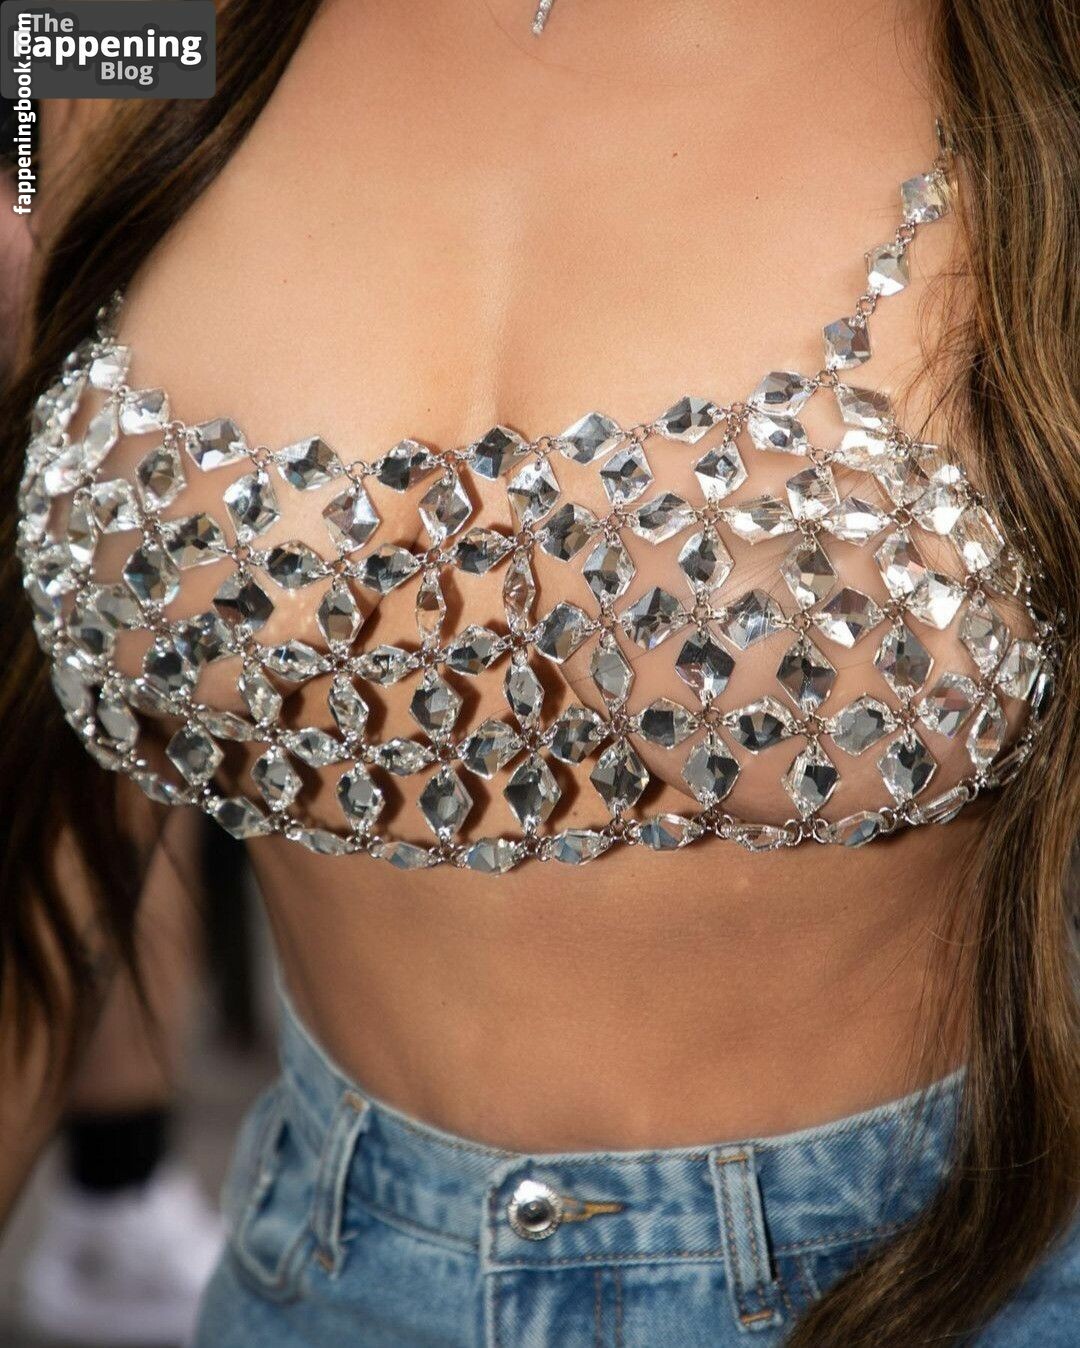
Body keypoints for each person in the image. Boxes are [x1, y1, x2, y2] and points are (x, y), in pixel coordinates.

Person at [1, 3, 1076, 1345]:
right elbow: (47, 806)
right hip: (319, 1291)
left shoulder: (1029, 51)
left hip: (939, 1286)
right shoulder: (130, 35)